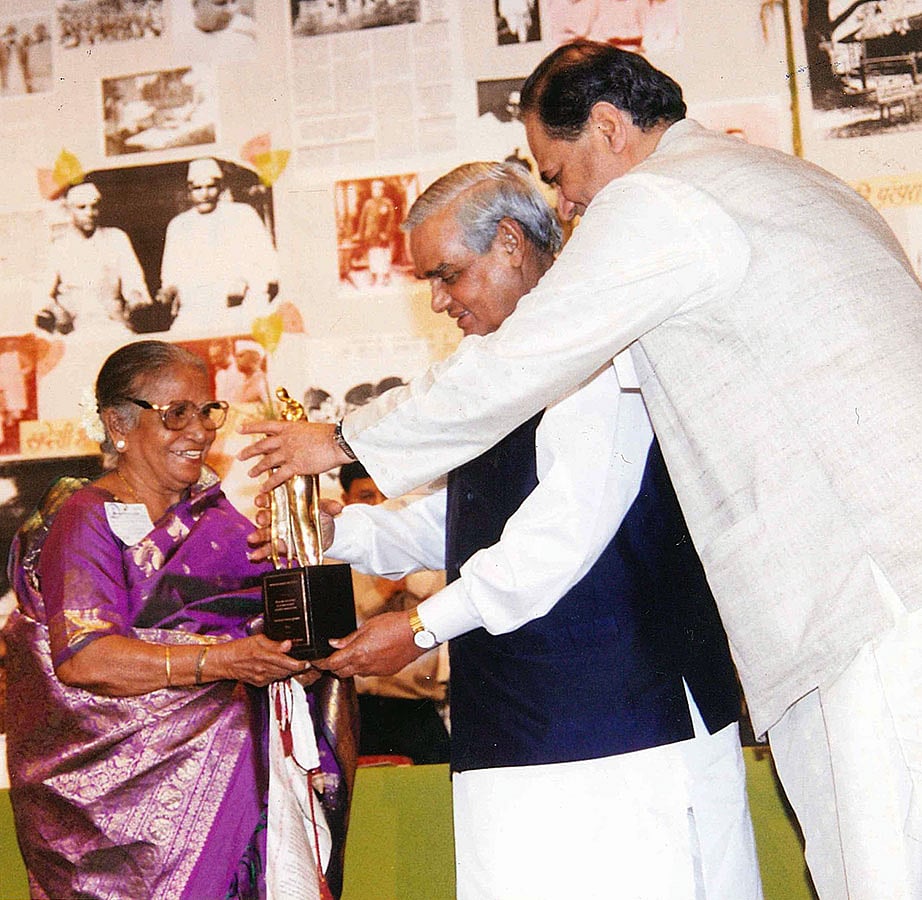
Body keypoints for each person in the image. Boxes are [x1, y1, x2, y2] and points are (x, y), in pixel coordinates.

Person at [241, 42, 922, 900]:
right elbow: (480, 503)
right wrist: (346, 532)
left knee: (889, 863)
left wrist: (343, 441)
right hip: (853, 590)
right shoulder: (776, 181)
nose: (564, 205)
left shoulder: (656, 201)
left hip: (847, 604)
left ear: (608, 126)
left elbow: (535, 411)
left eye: (560, 173)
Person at [272, 162, 761, 897]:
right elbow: (463, 521)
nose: (438, 302)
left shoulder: (603, 342)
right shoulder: (488, 369)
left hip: (627, 718)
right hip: (511, 717)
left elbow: (559, 536)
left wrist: (423, 628)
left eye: (448, 275)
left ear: (509, 242)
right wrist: (330, 533)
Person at [4, 340, 355, 899]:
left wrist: (299, 655)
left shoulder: (215, 519)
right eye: (176, 414)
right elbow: (85, 658)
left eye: (208, 410)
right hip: (125, 822)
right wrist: (225, 661)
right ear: (118, 423)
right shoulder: (85, 518)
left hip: (241, 794)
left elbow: (267, 628)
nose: (200, 431)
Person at [335, 461, 450, 765]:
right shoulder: (336, 560)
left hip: (417, 707)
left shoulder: (423, 547)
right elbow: (343, 625)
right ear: (345, 499)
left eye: (385, 496)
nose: (378, 505)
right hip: (359, 710)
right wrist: (384, 592)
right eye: (366, 497)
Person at [159, 158, 279, 335]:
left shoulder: (243, 215)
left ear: (221, 188)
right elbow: (171, 275)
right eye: (198, 188)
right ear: (189, 191)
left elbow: (270, 266)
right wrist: (169, 290)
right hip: (195, 311)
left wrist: (246, 281)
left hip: (242, 307)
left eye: (211, 187)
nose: (205, 194)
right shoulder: (179, 225)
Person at [40, 181, 152, 336]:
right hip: (75, 329)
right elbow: (40, 293)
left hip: (114, 324)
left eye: (94, 206)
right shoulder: (59, 247)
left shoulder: (116, 238)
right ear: (68, 210)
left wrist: (135, 298)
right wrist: (57, 310)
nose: (90, 213)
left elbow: (133, 280)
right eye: (82, 207)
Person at [353, 179, 397, 287]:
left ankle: (384, 277)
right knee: (373, 255)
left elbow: (391, 220)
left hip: (382, 237)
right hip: (371, 236)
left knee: (383, 256)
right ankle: (374, 277)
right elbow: (363, 220)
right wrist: (361, 234)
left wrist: (386, 233)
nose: (376, 191)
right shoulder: (368, 204)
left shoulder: (387, 203)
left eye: (379, 189)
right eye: (374, 189)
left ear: (382, 190)